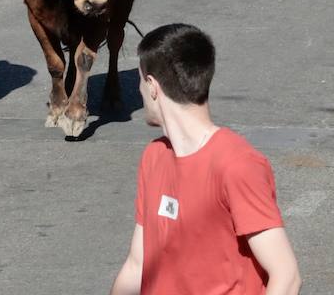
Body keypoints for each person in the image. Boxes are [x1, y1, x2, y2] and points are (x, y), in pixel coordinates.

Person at [108, 23, 301, 295]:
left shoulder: (236, 165)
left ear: (152, 86)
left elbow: (286, 276)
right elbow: (138, 264)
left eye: (140, 81)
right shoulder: (154, 157)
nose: (139, 92)